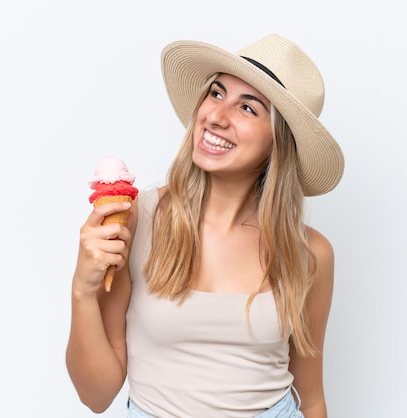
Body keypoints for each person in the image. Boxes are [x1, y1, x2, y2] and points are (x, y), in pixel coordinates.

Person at [66, 33, 344, 418]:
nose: (215, 115)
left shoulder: (310, 253)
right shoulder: (138, 218)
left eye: (248, 108)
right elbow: (95, 396)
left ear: (278, 142)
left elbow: (311, 398)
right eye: (216, 93)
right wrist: (82, 290)